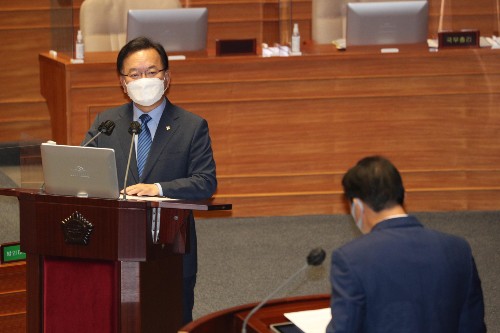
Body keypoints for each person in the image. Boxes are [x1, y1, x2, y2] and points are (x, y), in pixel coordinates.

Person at [82, 37, 217, 324]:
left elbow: (205, 182)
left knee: (170, 320)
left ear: (166, 77)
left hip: (170, 250)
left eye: (151, 72)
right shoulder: (105, 124)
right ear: (123, 82)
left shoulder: (192, 126)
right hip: (114, 246)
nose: (143, 79)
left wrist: (157, 189)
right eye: (134, 74)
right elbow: (84, 170)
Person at [327, 156, 486, 333]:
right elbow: (473, 327)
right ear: (404, 196)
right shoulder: (458, 249)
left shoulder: (351, 258)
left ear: (357, 205)